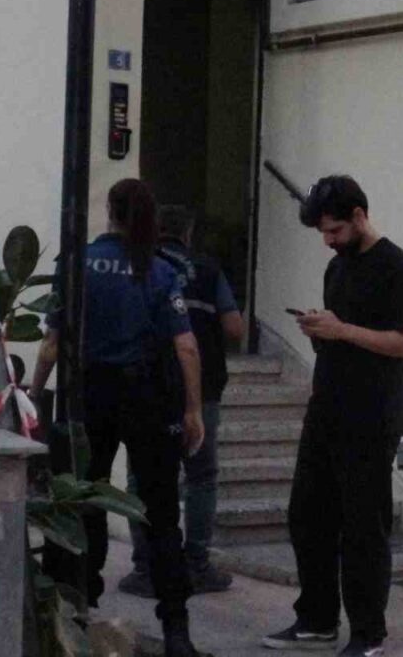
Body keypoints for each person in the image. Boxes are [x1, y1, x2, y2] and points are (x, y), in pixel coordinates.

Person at [28, 179, 211, 657]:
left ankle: (76, 615)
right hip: (149, 399)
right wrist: (193, 409)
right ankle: (176, 632)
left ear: (109, 210)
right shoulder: (160, 268)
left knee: (81, 501)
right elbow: (186, 346)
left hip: (89, 397)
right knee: (161, 515)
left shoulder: (76, 264)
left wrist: (33, 395)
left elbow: (51, 344)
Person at [262, 175, 403, 657]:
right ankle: (316, 619)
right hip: (327, 408)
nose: (329, 241)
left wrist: (343, 330)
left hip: (371, 416)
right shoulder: (337, 268)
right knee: (307, 515)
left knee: (363, 527)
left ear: (359, 216)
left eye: (334, 230)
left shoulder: (397, 268)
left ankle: (367, 634)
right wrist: (320, 329)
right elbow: (341, 333)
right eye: (323, 233)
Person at [118, 205, 245, 597]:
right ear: (188, 233)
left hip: (147, 386)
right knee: (201, 476)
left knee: (142, 476)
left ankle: (146, 568)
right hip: (201, 389)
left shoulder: (139, 267)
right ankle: (197, 565)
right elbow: (235, 328)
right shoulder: (207, 269)